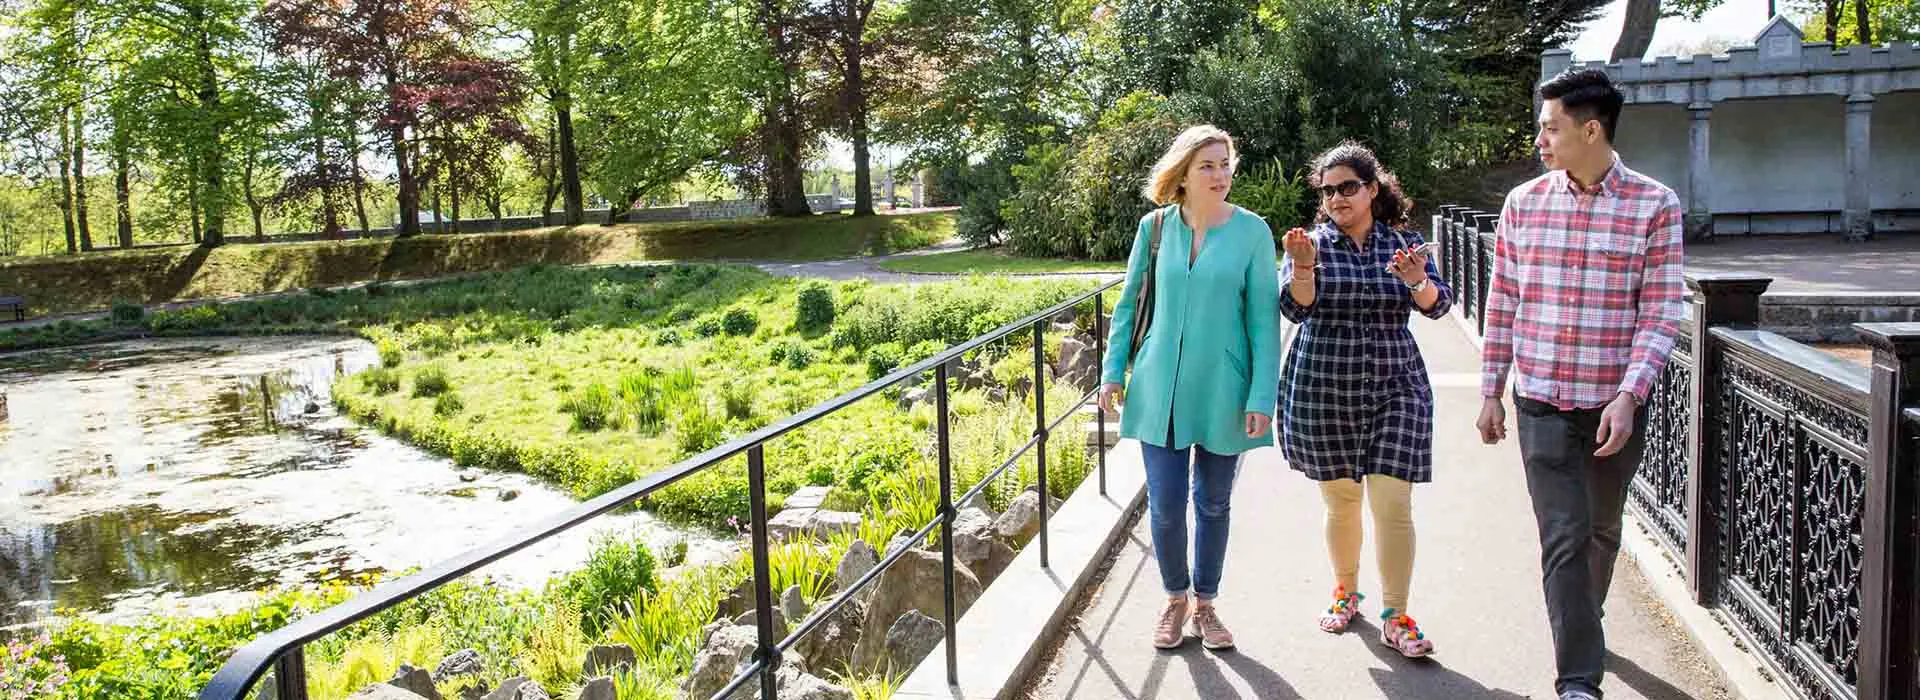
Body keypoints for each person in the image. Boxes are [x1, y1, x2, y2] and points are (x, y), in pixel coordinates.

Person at [1476, 69, 1686, 700]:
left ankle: (1582, 624)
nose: (1540, 138)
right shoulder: (1524, 203)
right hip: (1540, 398)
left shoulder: (1655, 205)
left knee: (1600, 529)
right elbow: (1502, 300)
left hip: (1613, 405)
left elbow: (1660, 310)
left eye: (1550, 127)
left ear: (1590, 129)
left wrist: (1630, 394)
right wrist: (1491, 388)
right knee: (1563, 535)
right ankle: (1578, 681)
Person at [1099, 124, 1281, 651]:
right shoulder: (1154, 229)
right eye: (1208, 166)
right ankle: (1175, 597)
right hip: (1159, 387)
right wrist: (1113, 371)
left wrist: (1261, 396)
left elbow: (1262, 323)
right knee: (1165, 503)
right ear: (1183, 174)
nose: (1221, 175)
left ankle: (1206, 604)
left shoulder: (1252, 232)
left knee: (1214, 503)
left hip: (1225, 387)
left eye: (1225, 164)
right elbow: (1130, 304)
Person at [1277, 141, 1453, 659]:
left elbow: (1439, 306)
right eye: (1328, 191)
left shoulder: (1404, 244)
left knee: (1393, 502)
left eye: (1348, 187)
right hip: (1325, 385)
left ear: (1372, 189)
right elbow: (1293, 306)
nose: (1337, 199)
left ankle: (1396, 614)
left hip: (1395, 383)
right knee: (1342, 500)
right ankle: (1345, 589)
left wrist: (1416, 279)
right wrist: (1303, 267)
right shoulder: (1309, 244)